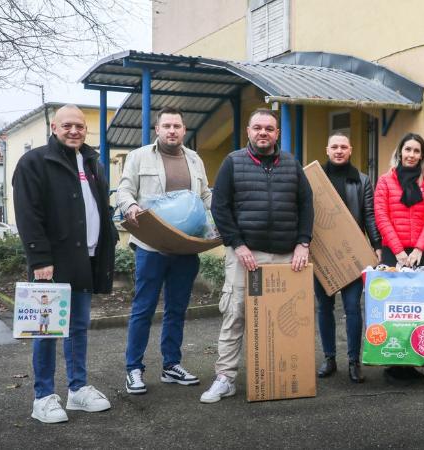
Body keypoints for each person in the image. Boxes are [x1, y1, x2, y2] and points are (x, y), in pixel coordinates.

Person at [201, 108, 314, 403]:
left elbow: (306, 204)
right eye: (258, 128)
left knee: (285, 319)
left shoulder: (291, 163)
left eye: (269, 128)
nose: (263, 133)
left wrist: (303, 243)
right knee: (235, 314)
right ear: (248, 131)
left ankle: (284, 376)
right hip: (245, 256)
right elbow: (220, 207)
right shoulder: (232, 162)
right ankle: (225, 378)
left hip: (286, 257)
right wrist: (237, 244)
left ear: (277, 133)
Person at [13, 104, 117, 423]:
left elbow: (99, 207)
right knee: (46, 331)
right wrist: (39, 258)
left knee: (78, 328)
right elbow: (28, 214)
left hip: (84, 260)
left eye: (80, 126)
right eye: (67, 125)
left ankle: (77, 389)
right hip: (51, 264)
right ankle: (42, 396)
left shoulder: (92, 162)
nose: (74, 131)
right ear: (54, 128)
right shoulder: (35, 161)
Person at [116, 107, 212, 394]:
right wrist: (130, 205)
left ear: (184, 131)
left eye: (177, 126)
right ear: (157, 129)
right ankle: (133, 369)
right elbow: (124, 190)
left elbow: (204, 195)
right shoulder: (139, 156)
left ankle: (172, 366)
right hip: (151, 245)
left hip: (186, 246)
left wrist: (213, 224)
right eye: (167, 125)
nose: (172, 130)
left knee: (176, 309)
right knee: (143, 309)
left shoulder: (194, 159)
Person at [315, 132, 382, 383]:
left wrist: (376, 245)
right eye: (335, 147)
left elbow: (369, 215)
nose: (339, 150)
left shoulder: (362, 181)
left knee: (353, 308)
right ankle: (329, 358)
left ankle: (354, 361)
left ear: (351, 150)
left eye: (344, 146)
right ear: (327, 150)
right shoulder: (315, 179)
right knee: (324, 307)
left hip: (352, 255)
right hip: (322, 256)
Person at [373, 132, 424, 382]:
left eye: (416, 151)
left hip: (419, 253)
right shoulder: (385, 182)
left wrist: (419, 249)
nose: (411, 155)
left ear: (422, 155)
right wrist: (399, 251)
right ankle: (393, 361)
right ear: (400, 152)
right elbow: (381, 216)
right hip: (394, 252)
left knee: (417, 309)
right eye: (408, 149)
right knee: (394, 309)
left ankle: (412, 361)